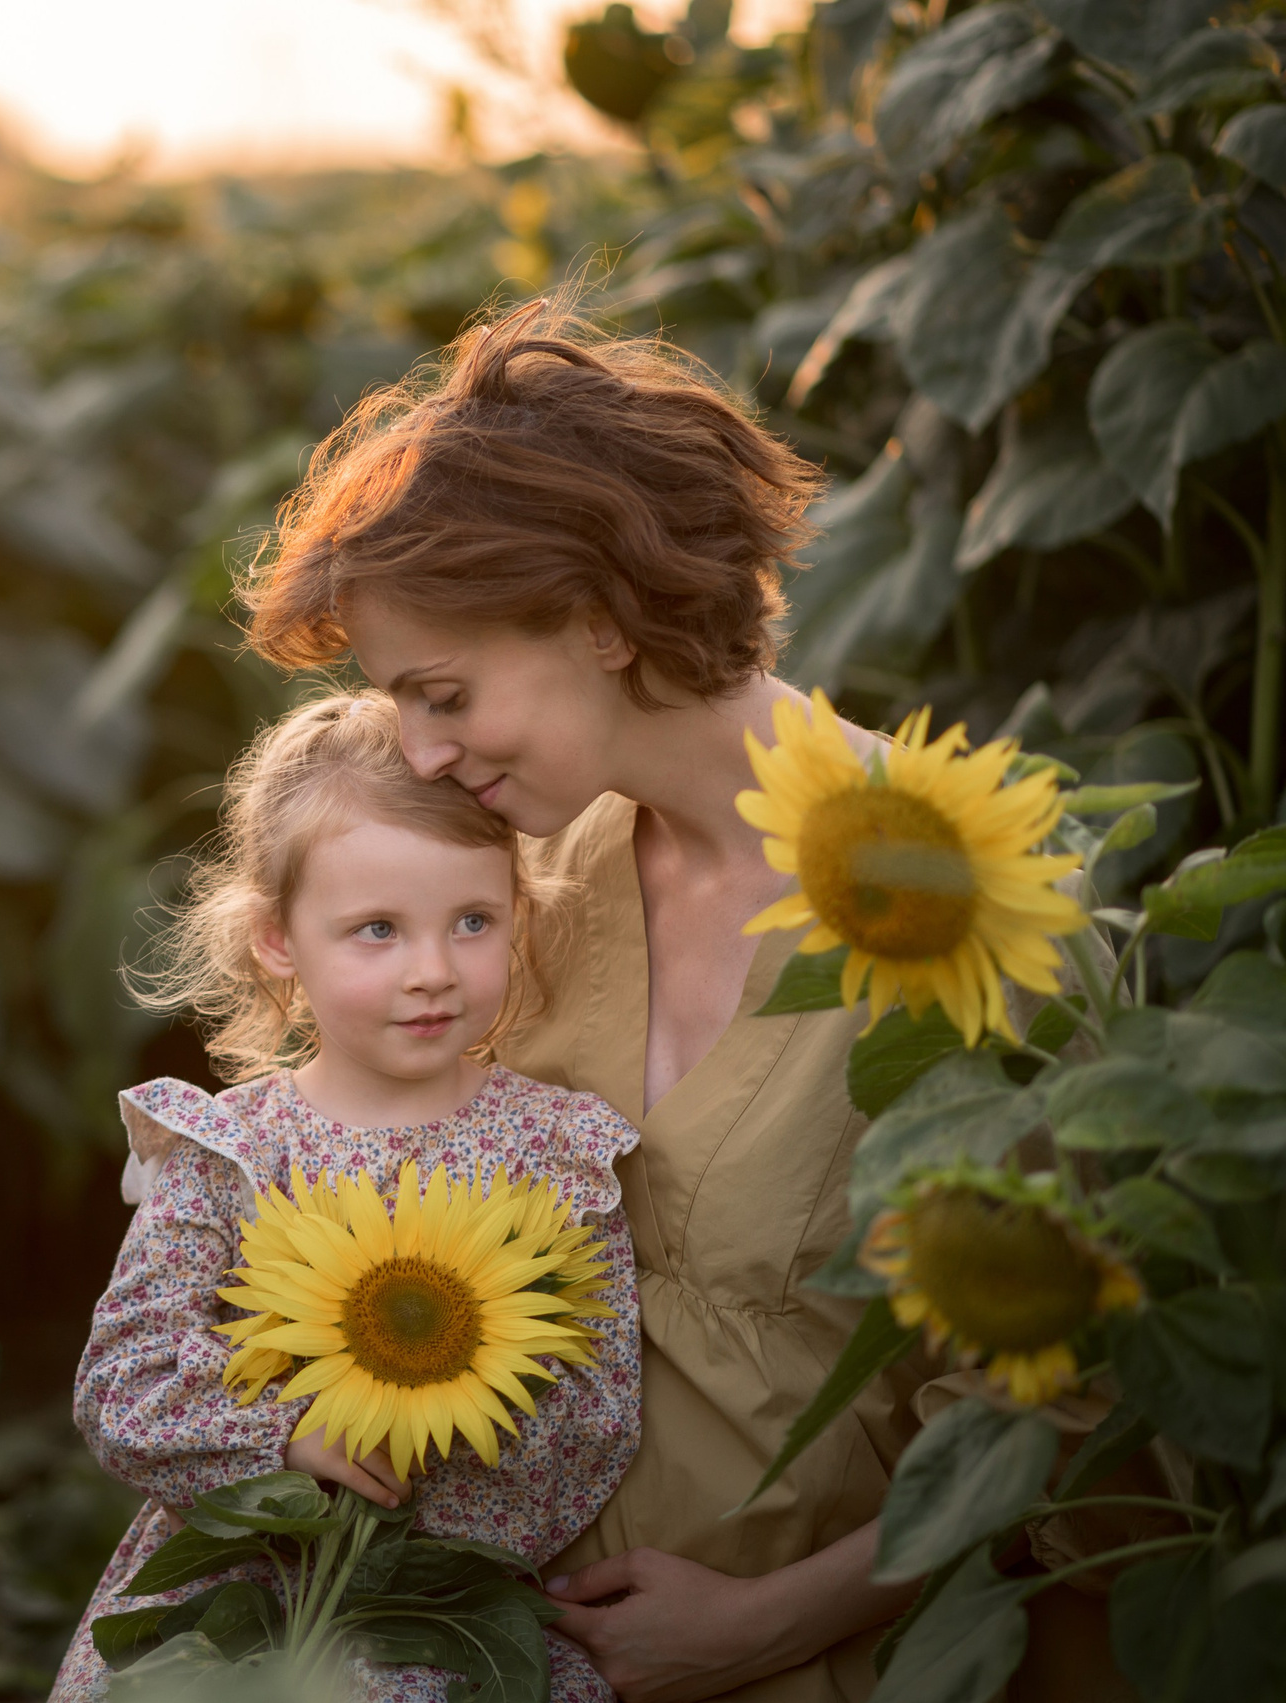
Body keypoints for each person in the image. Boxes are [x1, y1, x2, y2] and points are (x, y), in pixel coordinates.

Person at [235, 298, 1118, 1703]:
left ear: (595, 619)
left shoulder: (958, 892)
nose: (419, 747)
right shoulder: (532, 881)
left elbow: (1062, 1412)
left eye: (445, 691)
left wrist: (766, 1620)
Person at [52, 693, 646, 1703]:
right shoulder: (231, 1152)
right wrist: (286, 1440)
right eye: (376, 928)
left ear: (520, 913)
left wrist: (451, 1434)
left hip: (447, 1614)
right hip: (245, 1611)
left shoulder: (555, 1150)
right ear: (279, 939)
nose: (431, 971)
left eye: (471, 920)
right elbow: (124, 1380)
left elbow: (599, 1409)